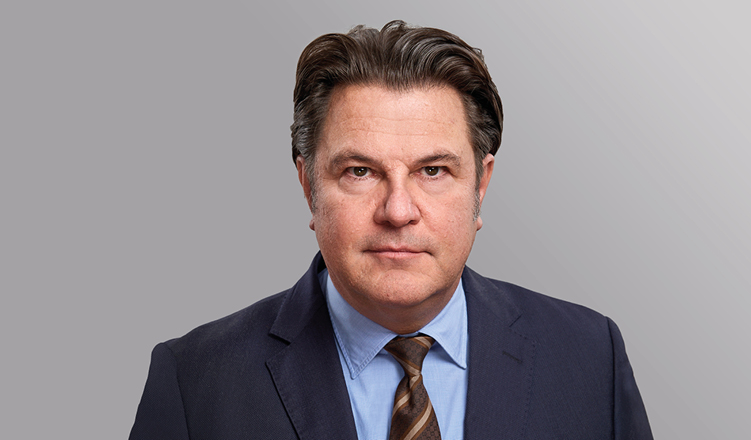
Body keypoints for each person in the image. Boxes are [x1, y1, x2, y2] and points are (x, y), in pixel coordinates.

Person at [130, 20, 653, 440]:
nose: (398, 211)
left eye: (433, 171)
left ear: (481, 184)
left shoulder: (590, 357)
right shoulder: (195, 383)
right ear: (309, 186)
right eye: (360, 171)